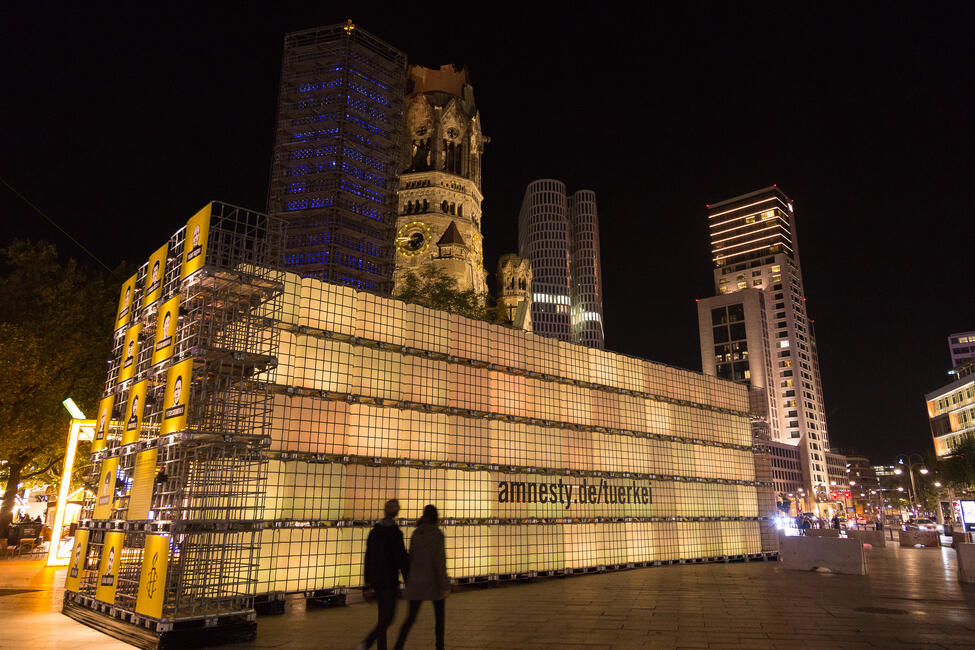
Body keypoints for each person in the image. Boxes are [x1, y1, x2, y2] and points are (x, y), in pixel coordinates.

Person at [395, 504, 450, 650]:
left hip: (416, 582)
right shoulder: (437, 535)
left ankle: (398, 646)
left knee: (410, 619)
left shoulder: (416, 533)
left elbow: (411, 557)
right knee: (439, 619)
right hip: (433, 583)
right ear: (436, 517)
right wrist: (445, 585)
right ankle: (439, 647)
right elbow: (440, 562)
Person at [359, 499, 409, 650]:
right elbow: (402, 559)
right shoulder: (396, 534)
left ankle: (380, 646)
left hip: (376, 580)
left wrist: (367, 584)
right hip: (389, 580)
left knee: (383, 616)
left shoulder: (374, 533)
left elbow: (368, 559)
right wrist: (408, 580)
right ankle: (366, 643)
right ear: (396, 513)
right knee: (389, 617)